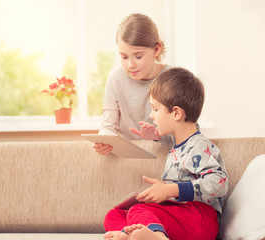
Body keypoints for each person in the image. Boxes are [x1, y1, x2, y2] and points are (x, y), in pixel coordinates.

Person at [103, 67, 228, 240]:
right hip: (181, 217)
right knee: (114, 214)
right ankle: (129, 234)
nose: (151, 115)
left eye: (155, 109)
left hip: (202, 220)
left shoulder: (200, 146)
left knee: (139, 210)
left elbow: (219, 183)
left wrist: (171, 189)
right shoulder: (179, 142)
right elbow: (180, 137)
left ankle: (157, 236)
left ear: (176, 113)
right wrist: (156, 136)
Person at [94, 13, 174, 155]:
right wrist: (103, 139)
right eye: (124, 57)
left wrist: (158, 136)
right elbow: (108, 126)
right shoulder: (115, 79)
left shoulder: (174, 78)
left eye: (138, 56)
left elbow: (189, 132)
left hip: (164, 156)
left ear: (156, 49)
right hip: (126, 157)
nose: (130, 65)